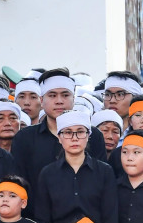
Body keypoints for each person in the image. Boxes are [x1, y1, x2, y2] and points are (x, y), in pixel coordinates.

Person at [10, 68, 107, 214]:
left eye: (65, 95)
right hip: (37, 222)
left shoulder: (94, 136)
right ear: (42, 100)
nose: (59, 101)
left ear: (74, 99)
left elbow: (100, 183)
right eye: (52, 95)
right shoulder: (25, 138)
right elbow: (19, 184)